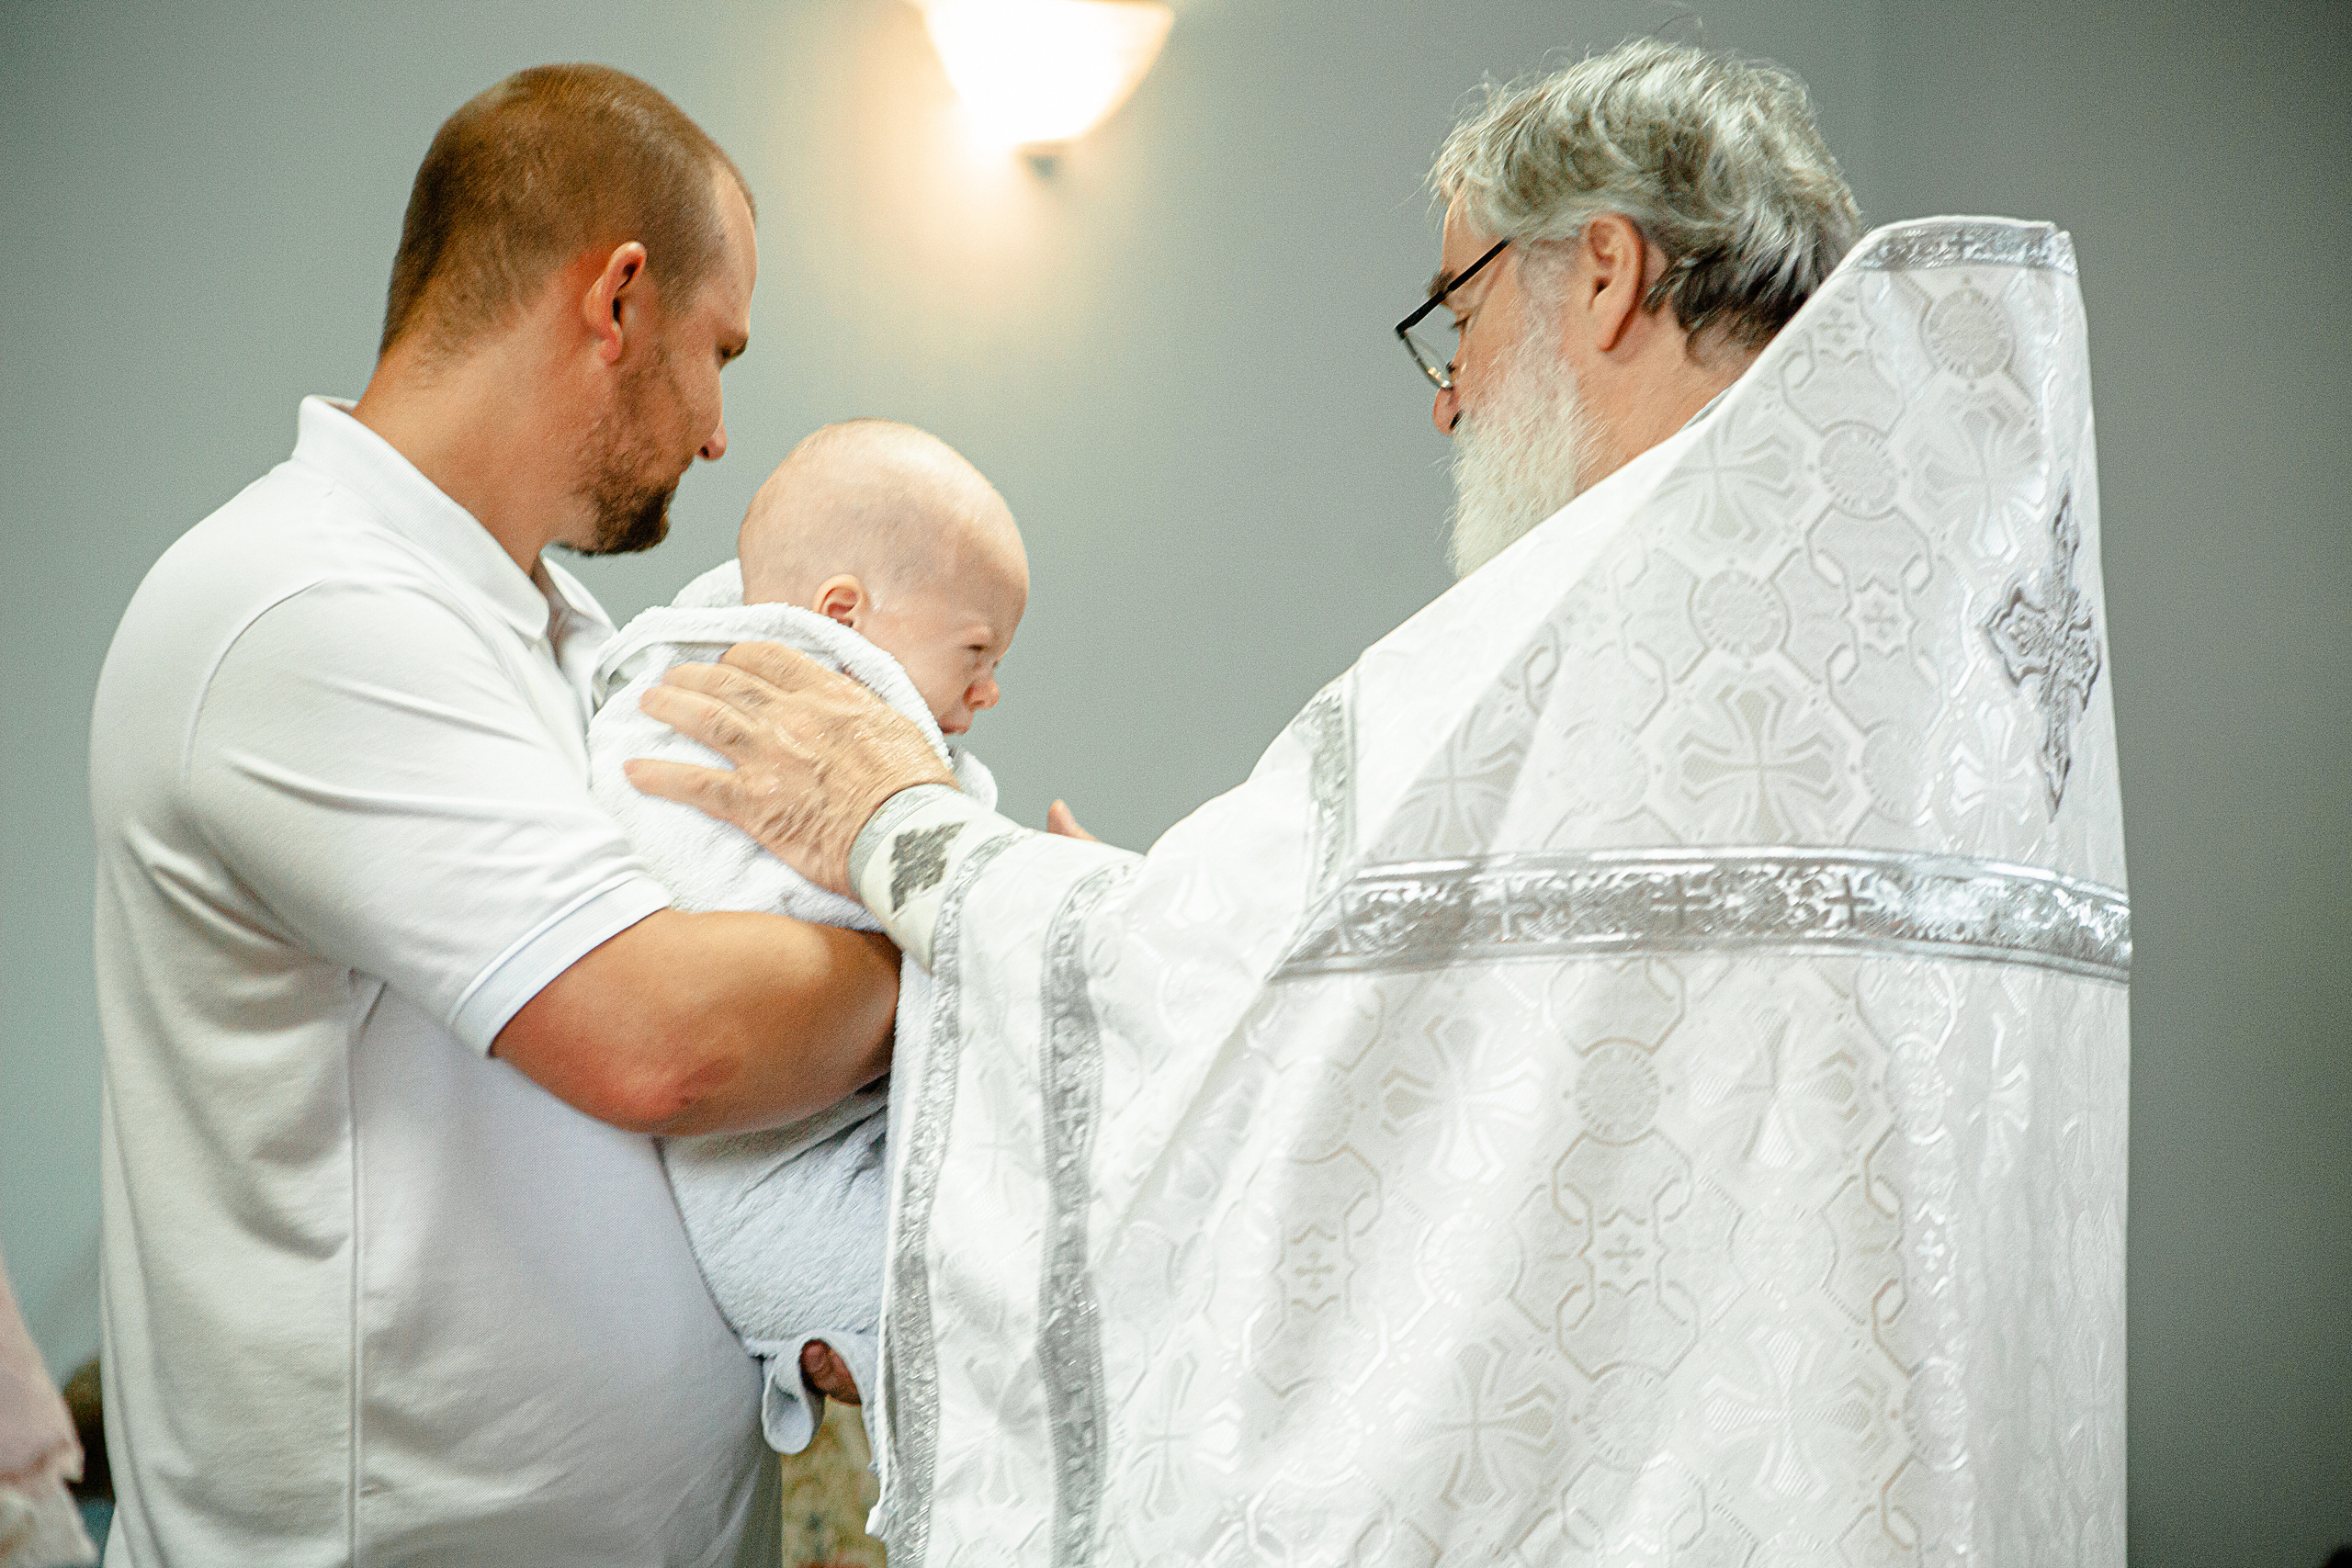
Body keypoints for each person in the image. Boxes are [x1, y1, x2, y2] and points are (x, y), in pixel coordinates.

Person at [628, 40, 2131, 1563]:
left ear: (1603, 272)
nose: (1449, 396)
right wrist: (1153, 923)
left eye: (1459, 311)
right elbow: (1480, 1061)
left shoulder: (1622, 630)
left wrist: (900, 818)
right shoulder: (1885, 606)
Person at [87, 65, 892, 1565]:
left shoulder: (563, 634)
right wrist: (952, 930)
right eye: (721, 351)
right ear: (618, 300)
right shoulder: (294, 607)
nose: (721, 432)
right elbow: (671, 1040)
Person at [584, 420, 1026, 1463]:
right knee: (974, 1352)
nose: (988, 690)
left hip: (842, 1110)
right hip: (770, 1155)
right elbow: (697, 893)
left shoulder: (799, 701)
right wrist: (984, 933)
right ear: (843, 617)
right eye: (976, 653)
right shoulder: (680, 715)